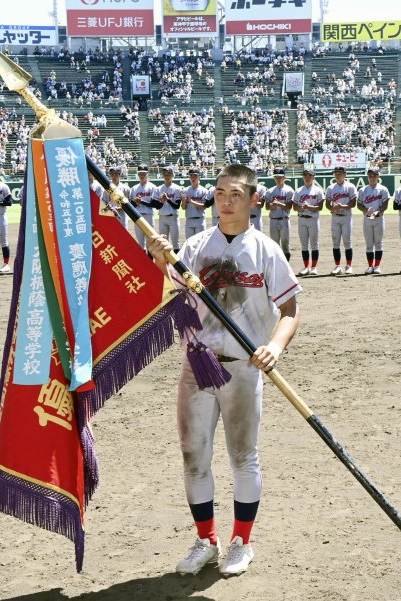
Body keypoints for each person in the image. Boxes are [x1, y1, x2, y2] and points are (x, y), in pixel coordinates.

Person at [147, 164, 301, 577]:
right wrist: (161, 260)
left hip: (242, 368)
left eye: (233, 194)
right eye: (218, 193)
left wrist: (274, 346)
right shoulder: (195, 247)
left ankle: (241, 542)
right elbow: (169, 297)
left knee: (242, 458)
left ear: (253, 199)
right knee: (193, 456)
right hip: (197, 366)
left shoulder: (267, 249)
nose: (224, 201)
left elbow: (289, 309)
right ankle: (206, 540)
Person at [356, 166, 390, 275]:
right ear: (368, 177)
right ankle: (370, 266)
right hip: (367, 219)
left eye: (374, 175)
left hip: (379, 218)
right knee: (369, 244)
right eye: (370, 175)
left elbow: (385, 205)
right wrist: (366, 210)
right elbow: (359, 205)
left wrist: (378, 212)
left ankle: (377, 266)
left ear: (378, 176)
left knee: (379, 243)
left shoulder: (383, 189)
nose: (372, 177)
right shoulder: (363, 190)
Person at [325, 165, 358, 275]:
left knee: (347, 241)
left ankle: (349, 265)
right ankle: (337, 266)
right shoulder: (330, 188)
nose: (338, 175)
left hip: (347, 217)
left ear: (345, 174)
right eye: (336, 173)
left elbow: (353, 203)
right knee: (335, 242)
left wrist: (341, 206)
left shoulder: (350, 186)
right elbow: (327, 204)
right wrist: (332, 209)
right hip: (335, 217)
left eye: (340, 173)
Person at [292, 167, 324, 276]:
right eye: (305, 175)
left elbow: (320, 207)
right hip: (302, 219)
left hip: (313, 219)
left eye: (309, 175)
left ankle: (314, 267)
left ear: (313, 177)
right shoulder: (298, 190)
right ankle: (306, 267)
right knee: (304, 245)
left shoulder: (318, 190)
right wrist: (301, 207)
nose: (307, 177)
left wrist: (309, 207)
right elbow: (294, 207)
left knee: (314, 244)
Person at [264, 167, 294, 262]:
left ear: (284, 177)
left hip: (284, 219)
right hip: (273, 219)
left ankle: (286, 265)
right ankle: (276, 265)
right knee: (274, 244)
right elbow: (267, 207)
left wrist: (279, 204)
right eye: (276, 177)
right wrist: (273, 205)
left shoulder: (289, 190)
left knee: (285, 244)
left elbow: (289, 207)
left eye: (280, 177)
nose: (278, 179)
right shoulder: (270, 191)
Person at [128, 164, 159, 250]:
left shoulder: (153, 187)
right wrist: (136, 203)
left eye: (144, 173)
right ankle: (143, 262)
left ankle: (150, 262)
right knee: (140, 243)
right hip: (138, 216)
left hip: (149, 215)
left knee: (151, 240)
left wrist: (141, 202)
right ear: (138, 174)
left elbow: (155, 204)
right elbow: (131, 205)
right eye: (140, 173)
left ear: (147, 174)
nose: (142, 175)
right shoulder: (134, 188)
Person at [157, 165, 183, 252]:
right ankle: (165, 263)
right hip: (162, 218)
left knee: (176, 243)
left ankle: (176, 265)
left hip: (173, 218)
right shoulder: (159, 189)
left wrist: (167, 199)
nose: (167, 176)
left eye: (169, 174)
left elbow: (177, 206)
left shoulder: (177, 188)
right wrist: (162, 201)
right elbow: (157, 206)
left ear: (172, 175)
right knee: (163, 242)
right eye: (165, 174)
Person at [181, 167, 211, 238]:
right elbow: (183, 207)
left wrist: (192, 201)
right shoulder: (185, 190)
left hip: (200, 220)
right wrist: (184, 201)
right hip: (189, 220)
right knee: (189, 242)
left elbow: (204, 206)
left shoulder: (204, 190)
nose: (193, 178)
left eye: (195, 176)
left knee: (200, 243)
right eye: (191, 176)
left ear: (199, 177)